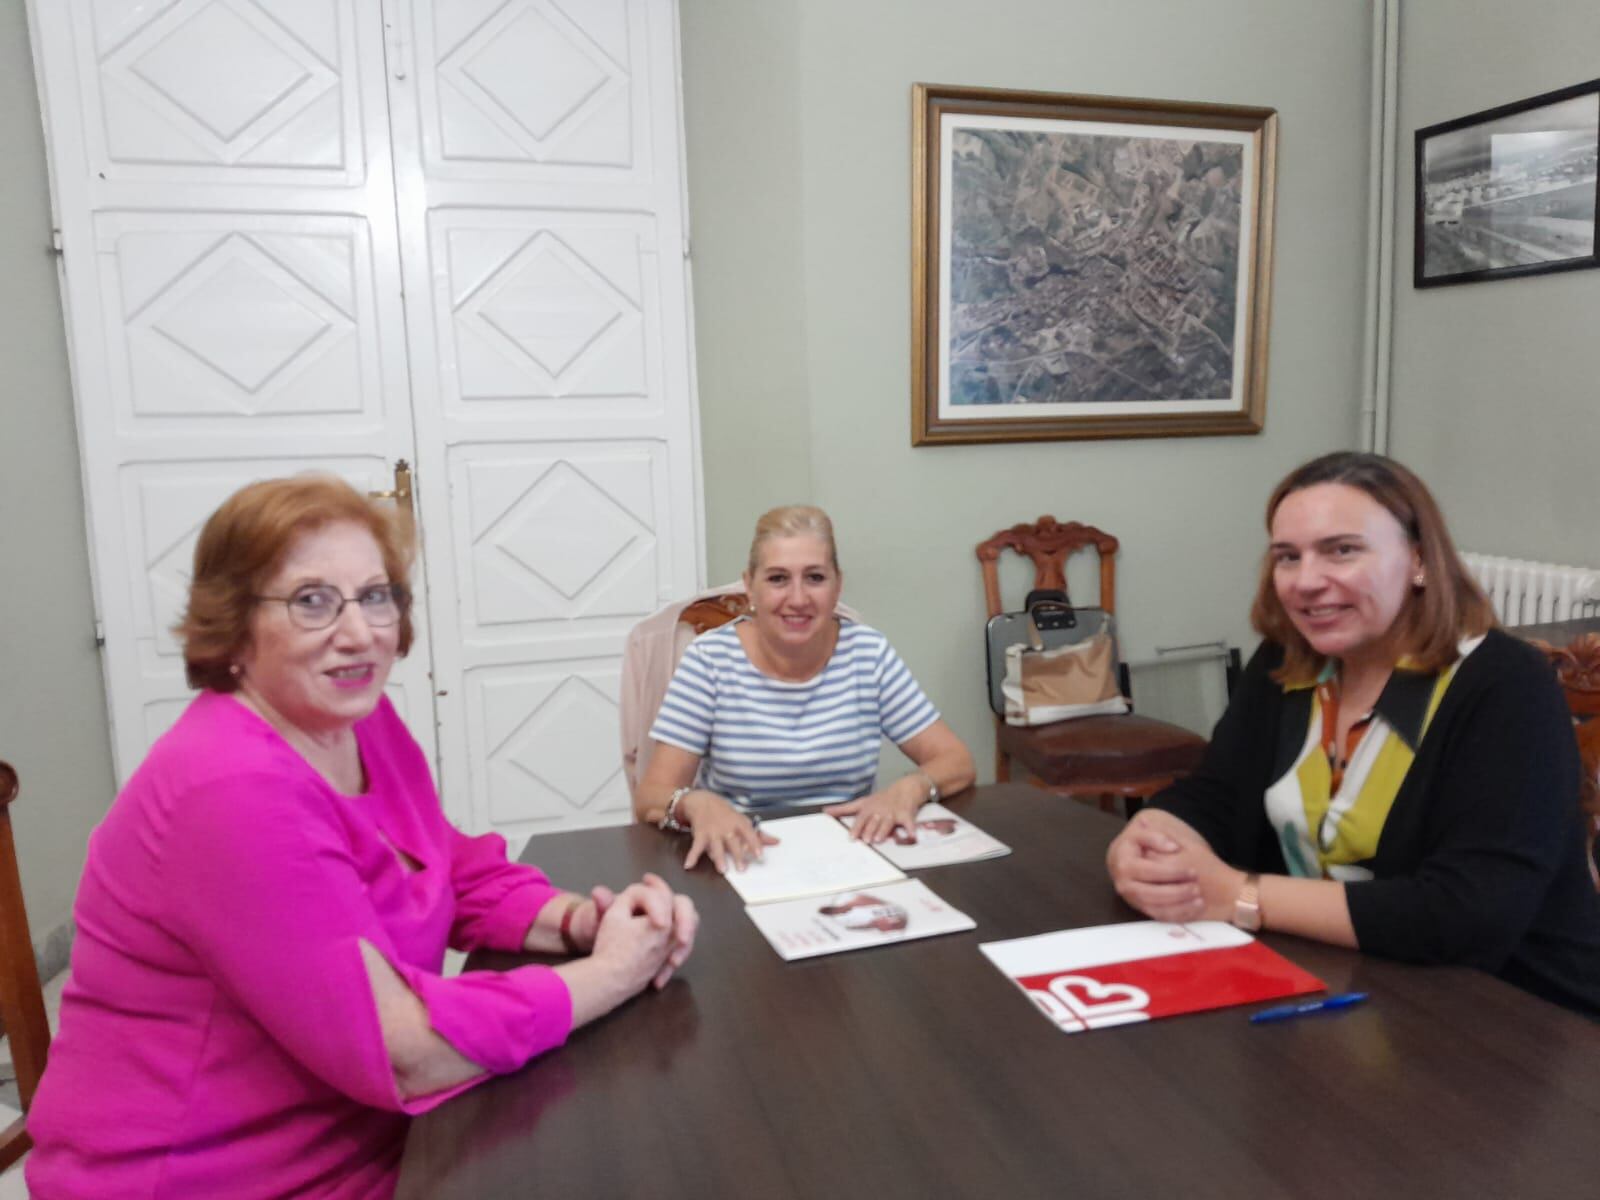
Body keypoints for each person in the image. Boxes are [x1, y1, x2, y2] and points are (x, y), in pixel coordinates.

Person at [26, 476, 700, 1199]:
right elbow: (403, 1050)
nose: (359, 632)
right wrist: (612, 974)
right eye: (312, 600)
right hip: (214, 1175)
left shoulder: (356, 721)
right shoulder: (230, 785)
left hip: (371, 1139)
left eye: (376, 596)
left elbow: (452, 870)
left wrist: (580, 922)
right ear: (234, 624)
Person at [1106, 452, 1600, 1017]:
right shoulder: (1289, 661)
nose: (1308, 581)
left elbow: (1467, 913)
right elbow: (1217, 793)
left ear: (1418, 559)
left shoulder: (1504, 684)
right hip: (1344, 987)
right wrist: (1148, 839)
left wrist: (1239, 895)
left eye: (1342, 550)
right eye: (1287, 557)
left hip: (1512, 1018)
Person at [634, 505, 974, 872]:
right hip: (741, 855)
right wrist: (695, 803)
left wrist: (910, 788)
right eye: (778, 578)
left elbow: (956, 761)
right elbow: (650, 796)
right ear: (750, 586)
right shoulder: (710, 660)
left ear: (837, 585)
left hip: (850, 852)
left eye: (814, 577)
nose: (797, 598)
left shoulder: (868, 653)